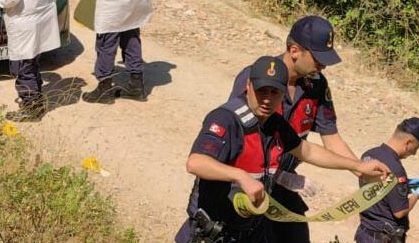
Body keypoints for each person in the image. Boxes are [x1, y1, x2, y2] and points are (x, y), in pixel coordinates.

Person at [177, 56, 390, 243]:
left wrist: (359, 166)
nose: (267, 99)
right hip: (213, 232)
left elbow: (307, 150)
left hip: (250, 231)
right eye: (262, 91)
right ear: (248, 86)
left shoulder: (274, 123)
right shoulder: (226, 119)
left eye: (274, 92)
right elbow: (196, 162)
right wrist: (241, 176)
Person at [228, 15, 358, 242]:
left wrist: (362, 170)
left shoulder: (316, 84)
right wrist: (281, 177)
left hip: (283, 187)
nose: (323, 65)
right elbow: (242, 144)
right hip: (249, 183)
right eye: (318, 58)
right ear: (295, 50)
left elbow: (331, 138)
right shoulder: (257, 79)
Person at [355, 118, 419, 243]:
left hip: (365, 232)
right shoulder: (395, 168)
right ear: (409, 142)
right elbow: (400, 212)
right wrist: (416, 194)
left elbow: (384, 189)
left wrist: (410, 183)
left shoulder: (369, 155)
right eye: (416, 147)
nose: (415, 153)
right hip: (384, 237)